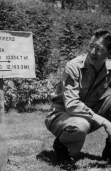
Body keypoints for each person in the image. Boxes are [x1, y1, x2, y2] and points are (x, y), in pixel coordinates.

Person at [45, 29, 111, 163]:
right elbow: (71, 105)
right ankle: (62, 147)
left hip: (89, 114)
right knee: (80, 125)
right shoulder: (73, 66)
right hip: (62, 115)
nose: (92, 52)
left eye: (98, 48)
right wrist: (104, 121)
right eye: (91, 46)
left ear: (109, 53)